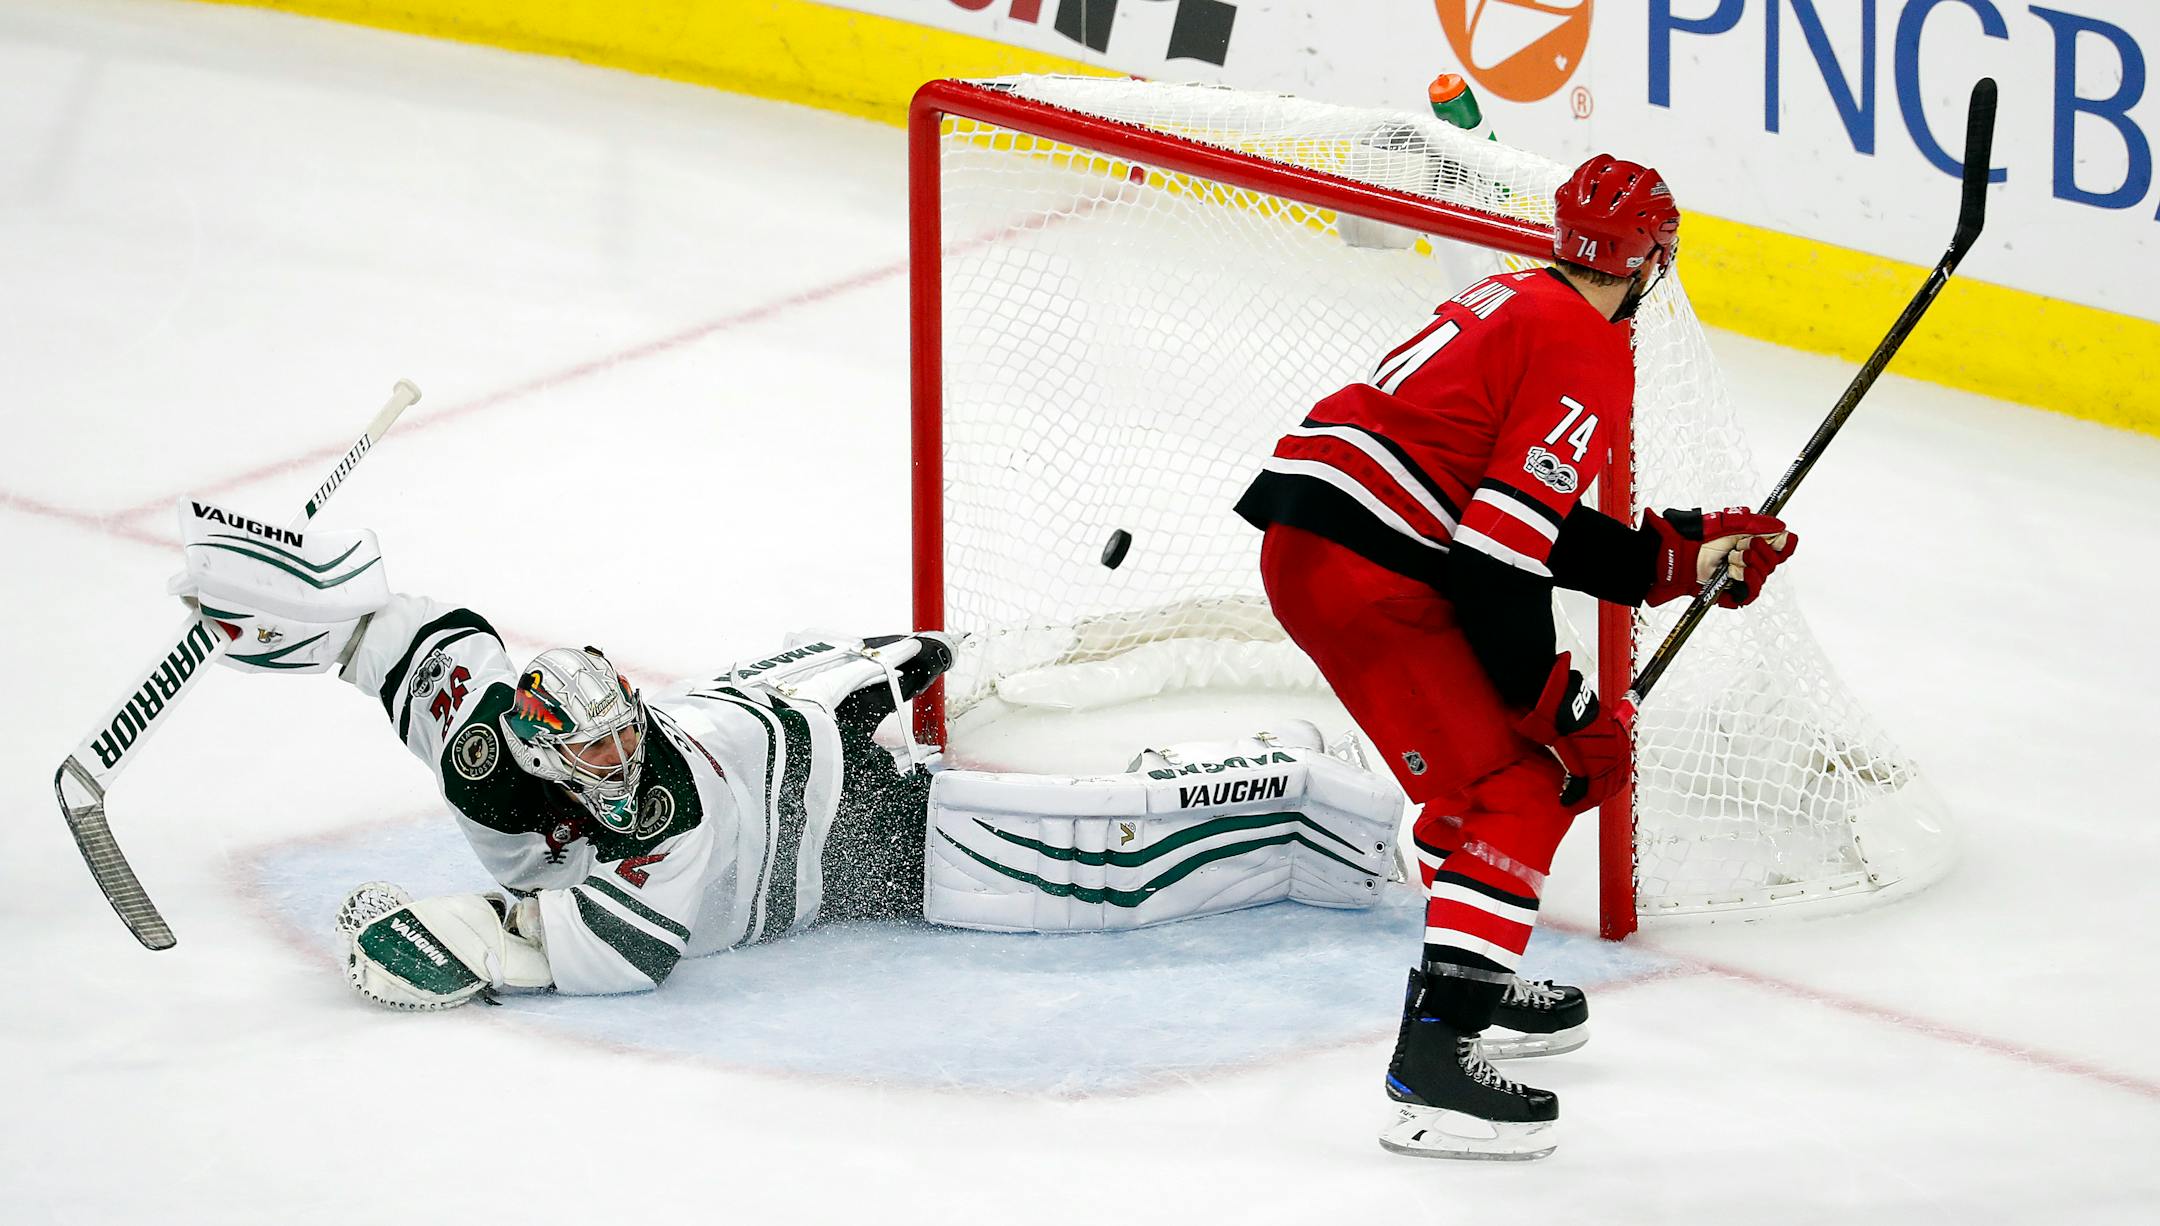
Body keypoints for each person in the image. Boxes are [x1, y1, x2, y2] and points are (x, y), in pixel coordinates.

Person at [165, 497, 1407, 1010]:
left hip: (813, 705)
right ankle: (1344, 821)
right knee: (1134, 831)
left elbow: (403, 641)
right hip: (915, 847)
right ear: (544, 764)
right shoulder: (548, 796)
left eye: (615, 722)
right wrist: (292, 626)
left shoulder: (575, 762)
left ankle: (1333, 669)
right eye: (587, 746)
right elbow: (566, 939)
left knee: (1060, 650)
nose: (615, 750)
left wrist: (314, 598)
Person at [1235, 154, 1798, 1160]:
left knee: (1508, 767)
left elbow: (1513, 519)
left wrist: (1680, 555)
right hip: (1372, 569)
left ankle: (1474, 979)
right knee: (1530, 776)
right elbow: (1499, 554)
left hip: (1329, 544)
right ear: (1650, 261)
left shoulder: (1520, 296)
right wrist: (1554, 701)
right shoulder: (1583, 342)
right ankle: (1437, 1060)